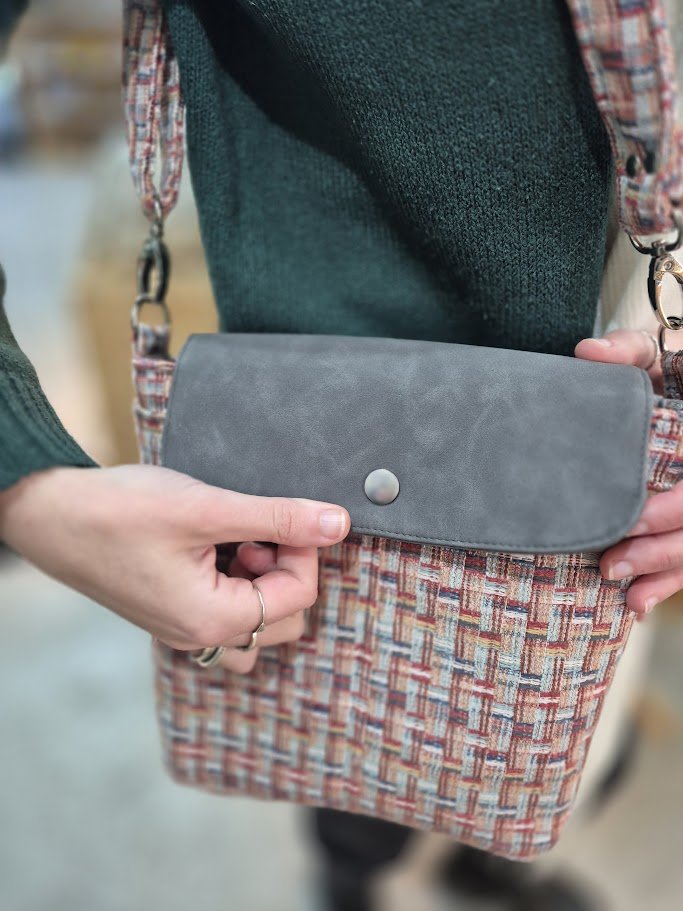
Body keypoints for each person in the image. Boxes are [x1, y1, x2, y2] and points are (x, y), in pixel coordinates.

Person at [1, 2, 682, 910]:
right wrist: (29, 484)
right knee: (344, 742)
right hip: (308, 401)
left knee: (545, 736)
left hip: (619, 351)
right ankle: (351, 876)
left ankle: (478, 849)